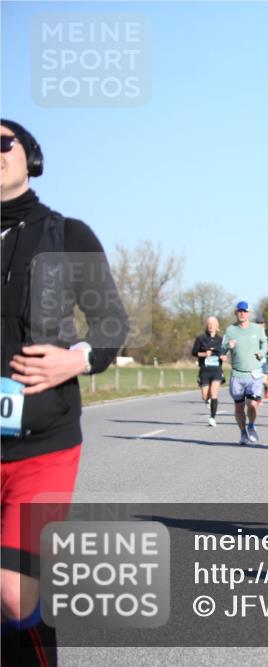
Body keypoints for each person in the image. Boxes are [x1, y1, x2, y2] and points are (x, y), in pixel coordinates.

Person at [1, 119, 128, 666]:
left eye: (3, 142)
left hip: (41, 445)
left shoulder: (67, 234)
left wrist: (70, 360)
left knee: (12, 589)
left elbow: (110, 325)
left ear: (31, 157)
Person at [221, 301, 267, 445]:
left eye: (244, 311)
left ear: (249, 313)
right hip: (237, 374)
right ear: (236, 313)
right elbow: (221, 350)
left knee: (252, 404)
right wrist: (228, 345)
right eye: (239, 311)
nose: (242, 313)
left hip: (254, 374)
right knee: (239, 406)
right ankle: (243, 433)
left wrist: (262, 352)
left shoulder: (257, 329)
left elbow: (264, 343)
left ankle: (251, 425)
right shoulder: (230, 330)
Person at [191, 316, 224, 426]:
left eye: (213, 324)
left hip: (216, 370)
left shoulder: (221, 340)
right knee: (205, 396)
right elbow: (194, 353)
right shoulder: (201, 339)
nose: (211, 326)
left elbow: (224, 353)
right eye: (209, 324)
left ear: (217, 325)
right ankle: (208, 401)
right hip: (204, 370)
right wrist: (204, 354)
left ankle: (212, 417)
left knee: (214, 394)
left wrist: (224, 357)